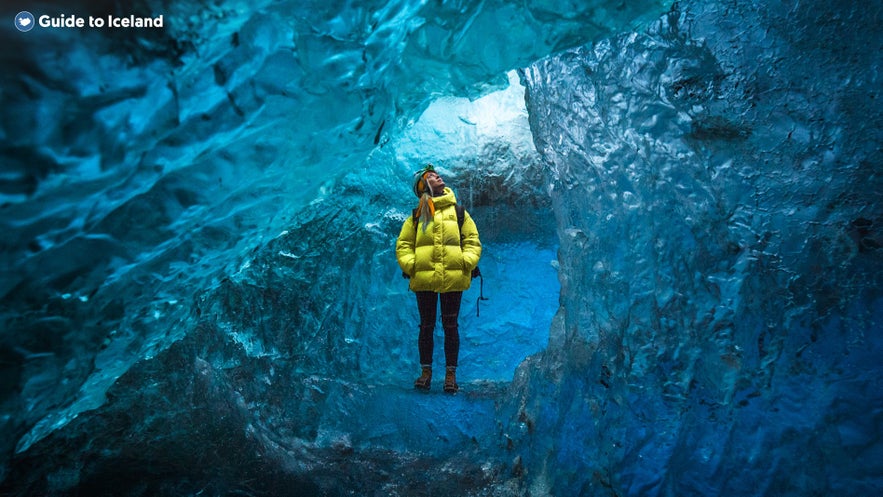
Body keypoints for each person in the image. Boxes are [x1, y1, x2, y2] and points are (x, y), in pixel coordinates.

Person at [396, 164, 482, 393]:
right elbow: (403, 244)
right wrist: (413, 266)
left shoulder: (459, 213)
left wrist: (466, 262)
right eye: (431, 177)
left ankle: (450, 375)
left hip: (453, 277)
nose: (438, 176)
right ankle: (426, 372)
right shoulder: (416, 216)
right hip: (424, 279)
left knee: (450, 326)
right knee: (426, 326)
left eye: (436, 175)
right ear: (424, 186)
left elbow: (472, 239)